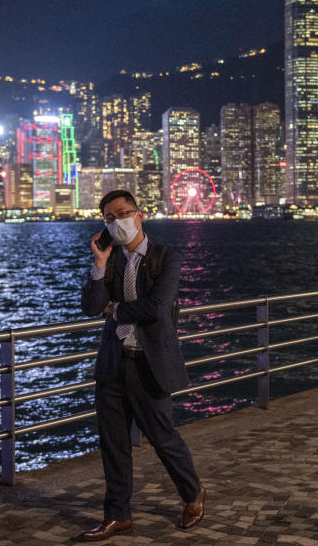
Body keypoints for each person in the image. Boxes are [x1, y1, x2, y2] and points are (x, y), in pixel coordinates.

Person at [77, 189, 205, 541]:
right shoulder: (112, 259)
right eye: (107, 218)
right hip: (113, 365)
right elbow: (90, 306)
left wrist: (116, 309)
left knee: (163, 437)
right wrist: (99, 264)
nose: (115, 222)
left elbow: (158, 307)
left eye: (122, 214)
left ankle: (193, 494)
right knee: (113, 444)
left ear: (140, 214)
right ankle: (117, 515)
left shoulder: (166, 256)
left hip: (149, 364)